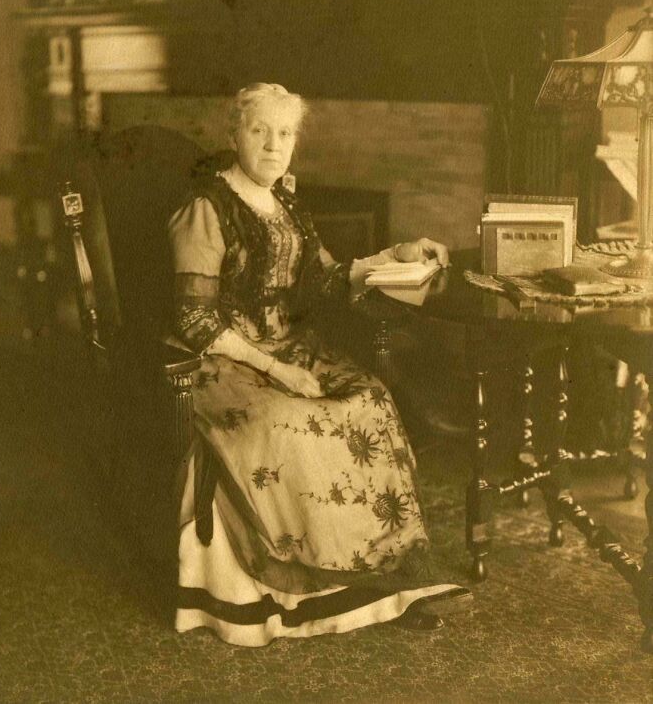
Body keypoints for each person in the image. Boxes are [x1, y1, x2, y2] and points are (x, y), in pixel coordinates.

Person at [168, 83, 470, 647]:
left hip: (291, 347)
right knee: (290, 419)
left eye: (285, 133)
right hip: (226, 360)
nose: (273, 145)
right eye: (259, 130)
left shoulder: (287, 204)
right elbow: (194, 319)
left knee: (370, 399)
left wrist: (395, 255)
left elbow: (326, 278)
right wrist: (277, 371)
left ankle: (380, 576)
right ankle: (308, 585)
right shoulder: (206, 208)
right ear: (235, 135)